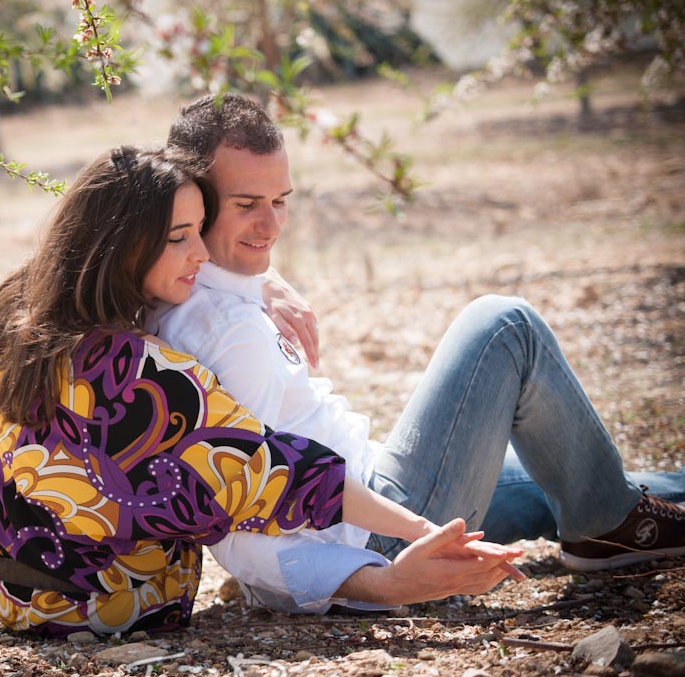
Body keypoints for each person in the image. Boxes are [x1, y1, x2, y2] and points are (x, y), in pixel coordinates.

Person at [152, 93, 685, 615]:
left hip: (379, 489)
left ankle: (615, 514)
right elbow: (233, 507)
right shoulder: (227, 333)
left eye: (280, 201)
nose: (271, 227)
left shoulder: (194, 289)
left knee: (561, 477)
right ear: (194, 199)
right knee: (504, 325)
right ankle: (609, 525)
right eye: (247, 205)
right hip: (378, 540)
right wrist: (380, 583)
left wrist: (265, 279)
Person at [0, 146, 522, 638]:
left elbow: (143, 182)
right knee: (505, 326)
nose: (202, 254)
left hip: (2, 587)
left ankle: (602, 512)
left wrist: (258, 277)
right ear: (121, 245)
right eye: (180, 238)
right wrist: (413, 540)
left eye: (200, 232)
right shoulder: (132, 369)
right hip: (103, 601)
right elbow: (278, 475)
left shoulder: (26, 311)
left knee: (516, 488)